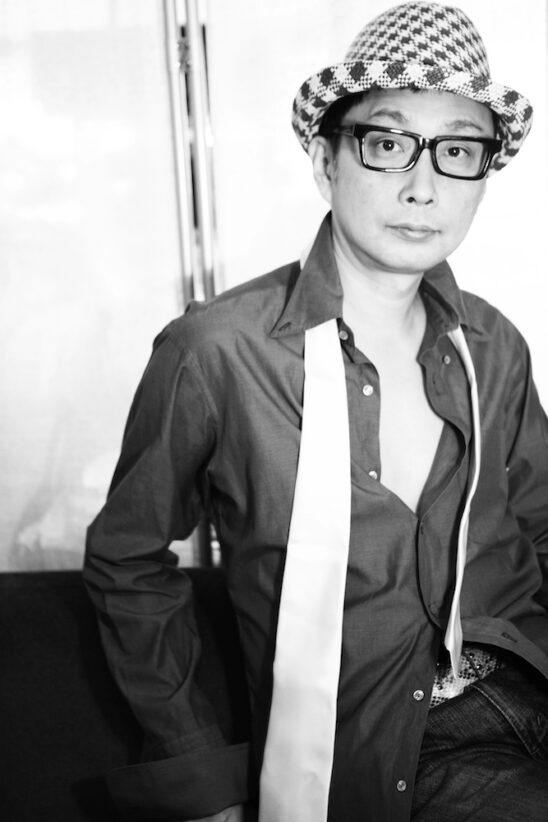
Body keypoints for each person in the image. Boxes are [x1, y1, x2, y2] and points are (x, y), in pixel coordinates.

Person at [83, 3, 548, 821]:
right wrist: (197, 771)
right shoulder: (217, 352)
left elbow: (540, 529)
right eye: (388, 142)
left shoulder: (493, 346)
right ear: (324, 160)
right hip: (395, 749)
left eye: (458, 150)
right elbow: (128, 559)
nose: (423, 186)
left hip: (529, 687)